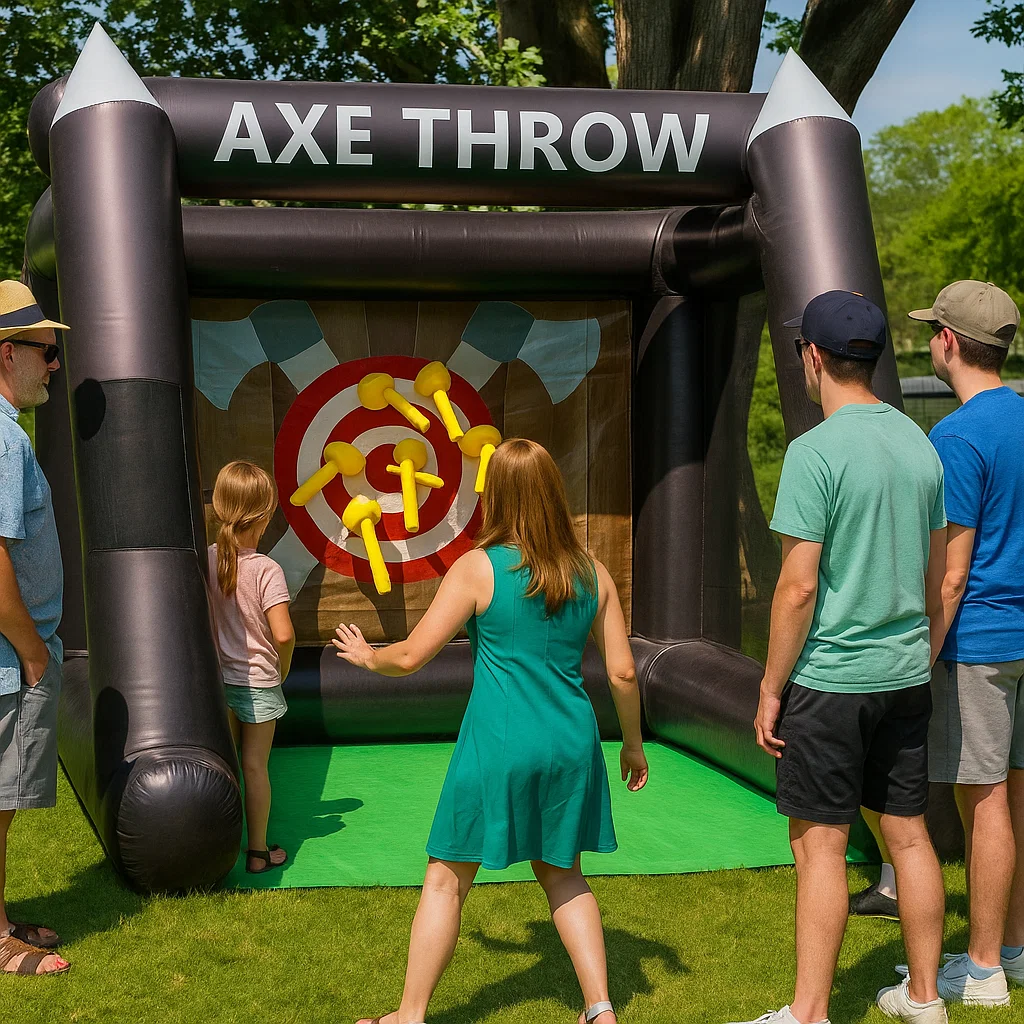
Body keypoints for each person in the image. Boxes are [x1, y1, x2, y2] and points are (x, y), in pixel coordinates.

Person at [334, 438, 648, 1024]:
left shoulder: (478, 568)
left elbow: (411, 656)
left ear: (495, 494)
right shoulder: (594, 572)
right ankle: (601, 1010)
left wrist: (369, 657)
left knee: (446, 876)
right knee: (564, 873)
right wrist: (631, 744)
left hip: (498, 745)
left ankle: (408, 1016)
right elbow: (624, 671)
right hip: (572, 745)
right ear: (554, 492)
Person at [732, 291, 948, 1024]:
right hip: (905, 674)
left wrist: (770, 689)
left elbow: (795, 589)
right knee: (910, 837)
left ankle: (809, 1013)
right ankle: (925, 999)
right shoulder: (921, 442)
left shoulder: (813, 452)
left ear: (811, 358)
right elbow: (934, 572)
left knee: (819, 849)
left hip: (831, 681)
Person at [897, 281, 1023, 1006]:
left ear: (947, 340)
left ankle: (979, 971)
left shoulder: (955, 435)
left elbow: (951, 575)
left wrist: (923, 655)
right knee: (1016, 794)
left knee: (986, 803)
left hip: (980, 641)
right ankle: (1012, 948)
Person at [0, 280, 72, 976]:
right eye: (46, 352)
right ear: (6, 353)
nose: (53, 366)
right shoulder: (3, 440)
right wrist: (31, 651)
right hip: (10, 659)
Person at [207, 460, 295, 874]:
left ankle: (218, 844)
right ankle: (257, 853)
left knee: (225, 766)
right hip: (259, 681)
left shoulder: (205, 560)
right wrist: (283, 669)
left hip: (218, 681)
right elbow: (282, 634)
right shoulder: (266, 569)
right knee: (255, 766)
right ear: (264, 515)